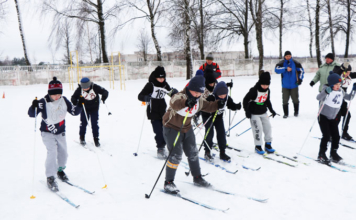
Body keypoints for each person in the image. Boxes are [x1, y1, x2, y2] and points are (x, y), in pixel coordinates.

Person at [162, 75, 225, 194]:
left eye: (199, 92)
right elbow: (174, 103)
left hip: (187, 128)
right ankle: (168, 182)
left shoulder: (199, 100)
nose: (196, 94)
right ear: (189, 88)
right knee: (176, 155)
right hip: (171, 128)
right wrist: (186, 102)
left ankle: (197, 177)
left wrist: (218, 104)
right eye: (194, 91)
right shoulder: (180, 96)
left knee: (193, 152)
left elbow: (208, 106)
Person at [28, 77, 83, 191]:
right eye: (54, 95)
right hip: (47, 132)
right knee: (52, 152)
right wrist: (33, 106)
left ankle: (59, 170)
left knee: (64, 153)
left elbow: (74, 112)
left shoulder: (64, 100)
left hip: (60, 132)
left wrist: (80, 104)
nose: (57, 97)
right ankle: (50, 176)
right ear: (49, 93)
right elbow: (32, 114)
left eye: (59, 94)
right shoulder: (43, 102)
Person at [138, 66, 178, 159]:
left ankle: (168, 147)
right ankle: (160, 148)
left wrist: (174, 93)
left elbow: (170, 92)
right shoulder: (150, 85)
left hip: (163, 111)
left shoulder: (165, 84)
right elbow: (140, 96)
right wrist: (145, 98)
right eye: (160, 78)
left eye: (163, 78)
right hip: (153, 112)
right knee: (158, 131)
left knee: (166, 130)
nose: (161, 80)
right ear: (156, 77)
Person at [316, 73, 356, 164]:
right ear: (331, 84)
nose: (338, 86)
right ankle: (321, 154)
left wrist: (354, 90)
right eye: (336, 84)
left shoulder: (341, 91)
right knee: (326, 136)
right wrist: (326, 92)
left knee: (336, 136)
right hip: (323, 116)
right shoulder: (327, 90)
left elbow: (349, 98)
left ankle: (333, 153)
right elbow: (318, 98)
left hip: (333, 117)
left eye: (339, 84)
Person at [201, 81, 241, 162]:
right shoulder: (211, 98)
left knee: (221, 133)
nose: (222, 97)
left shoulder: (227, 98)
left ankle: (222, 152)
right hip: (208, 116)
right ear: (216, 93)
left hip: (218, 117)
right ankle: (207, 151)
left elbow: (231, 105)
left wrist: (236, 106)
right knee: (209, 133)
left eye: (224, 95)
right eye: (220, 95)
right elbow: (204, 107)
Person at [243, 71, 277, 155]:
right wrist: (246, 110)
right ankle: (258, 146)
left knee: (268, 127)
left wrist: (272, 110)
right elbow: (245, 100)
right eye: (263, 84)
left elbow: (267, 101)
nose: (265, 86)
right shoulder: (254, 90)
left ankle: (268, 145)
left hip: (263, 112)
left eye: (267, 85)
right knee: (258, 129)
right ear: (260, 82)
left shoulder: (267, 90)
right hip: (254, 113)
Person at [71, 77, 109, 147]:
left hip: (94, 108)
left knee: (94, 124)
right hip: (84, 109)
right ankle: (82, 137)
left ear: (90, 85)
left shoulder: (95, 87)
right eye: (84, 88)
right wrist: (78, 102)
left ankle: (96, 139)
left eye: (87, 87)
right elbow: (73, 98)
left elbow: (105, 91)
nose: (85, 89)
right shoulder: (79, 89)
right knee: (83, 123)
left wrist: (104, 97)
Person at [275, 51, 304, 118]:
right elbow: (276, 70)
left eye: (289, 56)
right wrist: (285, 69)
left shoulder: (295, 63)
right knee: (285, 100)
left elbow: (301, 71)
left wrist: (300, 79)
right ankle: (286, 114)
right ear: (284, 56)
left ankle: (296, 112)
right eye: (287, 56)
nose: (288, 57)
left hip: (294, 85)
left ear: (291, 56)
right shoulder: (281, 63)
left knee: (295, 100)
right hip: (285, 86)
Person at [333, 63, 356, 141]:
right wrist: (342, 69)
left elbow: (354, 74)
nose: (348, 74)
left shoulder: (348, 76)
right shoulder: (337, 75)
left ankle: (344, 133)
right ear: (343, 71)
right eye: (347, 72)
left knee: (347, 115)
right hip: (334, 99)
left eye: (349, 72)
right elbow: (336, 73)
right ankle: (331, 134)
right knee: (337, 117)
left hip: (342, 99)